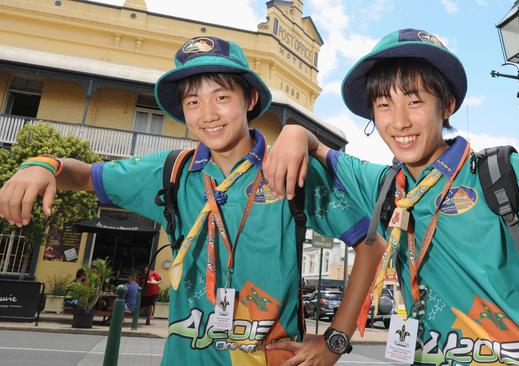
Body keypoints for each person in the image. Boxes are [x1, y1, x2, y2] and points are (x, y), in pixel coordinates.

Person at [264, 28, 519, 365]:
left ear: (446, 106)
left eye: (414, 101)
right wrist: (294, 132)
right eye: (384, 105)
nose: (399, 121)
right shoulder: (385, 186)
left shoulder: (501, 174)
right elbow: (319, 148)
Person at [0, 35, 383, 365]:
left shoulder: (288, 169)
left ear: (250, 99)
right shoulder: (172, 172)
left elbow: (372, 245)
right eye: (193, 102)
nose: (209, 114)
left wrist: (336, 340)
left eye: (221, 97)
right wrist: (44, 164)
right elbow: (85, 175)